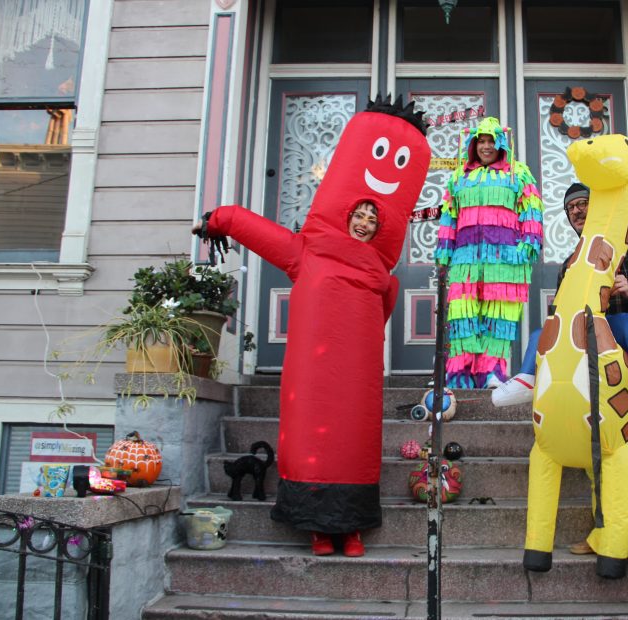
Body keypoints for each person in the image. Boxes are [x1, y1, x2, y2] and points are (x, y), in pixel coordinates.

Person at [193, 95, 431, 558]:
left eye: (372, 219)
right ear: (346, 214)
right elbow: (259, 232)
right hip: (313, 371)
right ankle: (319, 528)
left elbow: (384, 310)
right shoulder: (309, 252)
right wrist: (219, 220)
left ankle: (352, 526)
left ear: (381, 226)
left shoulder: (382, 275)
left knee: (355, 439)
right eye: (359, 215)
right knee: (314, 436)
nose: (364, 222)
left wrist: (365, 340)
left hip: (358, 372)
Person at [492, 182, 628, 407]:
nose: (576, 211)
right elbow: (558, 312)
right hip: (579, 334)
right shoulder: (569, 263)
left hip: (618, 331)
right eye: (570, 208)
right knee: (539, 335)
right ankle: (526, 378)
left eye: (582, 203)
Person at [435, 116, 543, 389]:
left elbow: (531, 209)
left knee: (499, 318)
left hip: (505, 262)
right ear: (473, 145)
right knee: (463, 316)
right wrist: (444, 251)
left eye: (490, 141)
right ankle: (459, 375)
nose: (485, 146)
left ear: (501, 144)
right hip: (465, 261)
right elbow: (450, 216)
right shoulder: (460, 176)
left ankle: (491, 373)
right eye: (480, 141)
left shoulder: (517, 173)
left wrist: (528, 244)